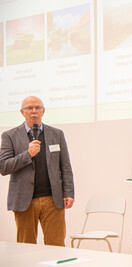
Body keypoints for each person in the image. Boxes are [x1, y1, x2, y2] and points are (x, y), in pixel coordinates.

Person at [0, 96, 74, 246]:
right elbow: (4, 167)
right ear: (22, 112)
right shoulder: (10, 136)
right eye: (29, 108)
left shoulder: (57, 134)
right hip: (24, 200)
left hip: (53, 200)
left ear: (43, 111)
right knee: (25, 247)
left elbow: (65, 165)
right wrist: (28, 155)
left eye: (37, 108)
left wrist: (68, 193)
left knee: (57, 245)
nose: (34, 111)